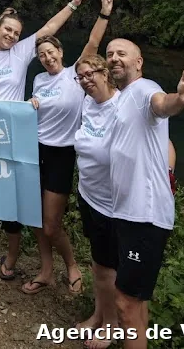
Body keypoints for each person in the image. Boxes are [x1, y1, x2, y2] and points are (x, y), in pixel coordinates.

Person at [0, 0, 83, 281]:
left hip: (13, 136)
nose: (12, 35)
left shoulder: (22, 52)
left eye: (17, 32)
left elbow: (49, 29)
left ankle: (11, 257)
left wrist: (73, 4)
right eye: (8, 29)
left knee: (10, 197)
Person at [22, 0, 115, 296]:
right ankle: (46, 270)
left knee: (51, 223)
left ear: (61, 53)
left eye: (51, 52)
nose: (47, 58)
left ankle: (72, 264)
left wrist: (103, 12)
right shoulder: (37, 79)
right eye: (42, 55)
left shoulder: (76, 75)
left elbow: (93, 40)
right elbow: (34, 113)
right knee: (33, 217)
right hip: (34, 150)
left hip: (62, 154)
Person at [105, 39, 184, 349]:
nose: (114, 58)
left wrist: (178, 100)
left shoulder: (144, 89)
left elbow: (161, 104)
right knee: (136, 304)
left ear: (139, 62)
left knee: (126, 306)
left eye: (121, 54)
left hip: (143, 215)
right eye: (110, 54)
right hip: (128, 213)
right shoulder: (121, 98)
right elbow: (163, 143)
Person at [73, 51, 120, 349]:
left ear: (105, 73)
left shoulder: (122, 105)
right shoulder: (87, 104)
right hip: (88, 193)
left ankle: (112, 326)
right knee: (98, 263)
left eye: (91, 74)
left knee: (108, 268)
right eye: (81, 77)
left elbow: (161, 139)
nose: (86, 81)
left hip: (111, 202)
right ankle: (98, 314)